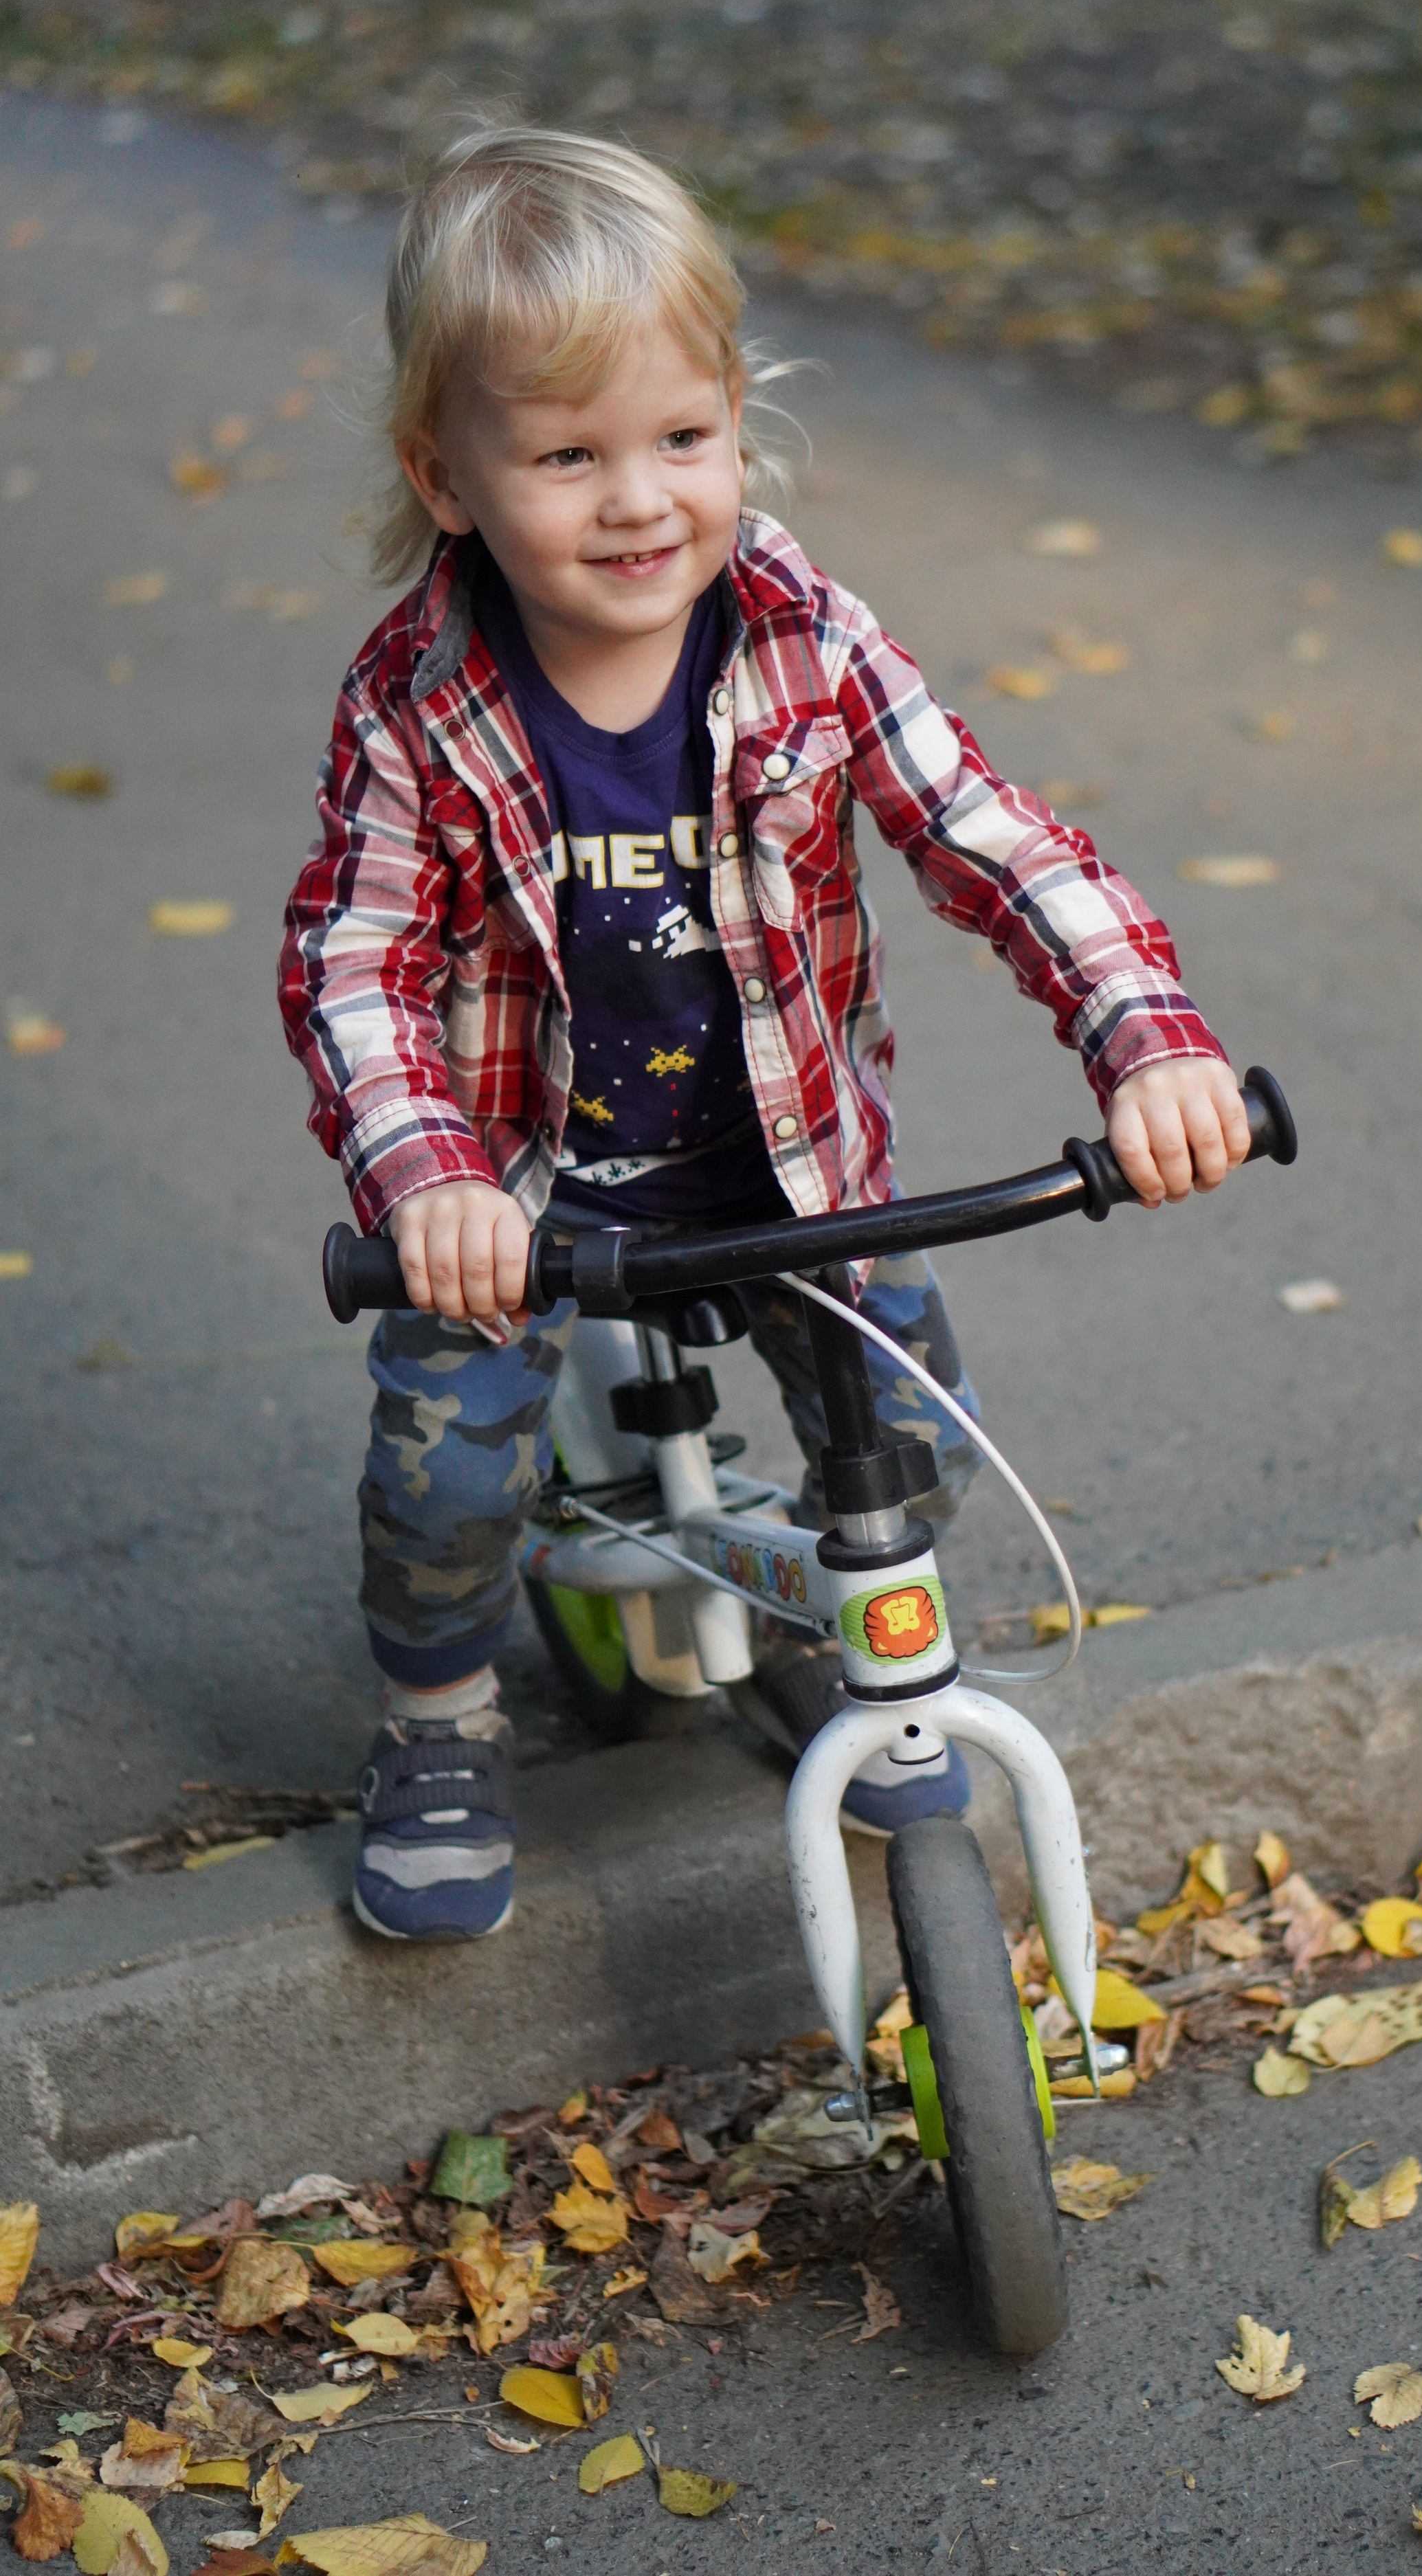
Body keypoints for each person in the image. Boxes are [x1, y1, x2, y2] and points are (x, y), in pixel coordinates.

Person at [280, 122, 1248, 1944]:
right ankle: (436, 1724)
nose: (640, 499)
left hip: (792, 1168)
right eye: (567, 454)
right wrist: (427, 1182)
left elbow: (986, 831)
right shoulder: (421, 703)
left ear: (739, 416)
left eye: (682, 439)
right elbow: (357, 955)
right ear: (450, 472)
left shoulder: (799, 636)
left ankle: (817, 1611)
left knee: (913, 1436)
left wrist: (1146, 1039)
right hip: (527, 1199)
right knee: (443, 1486)